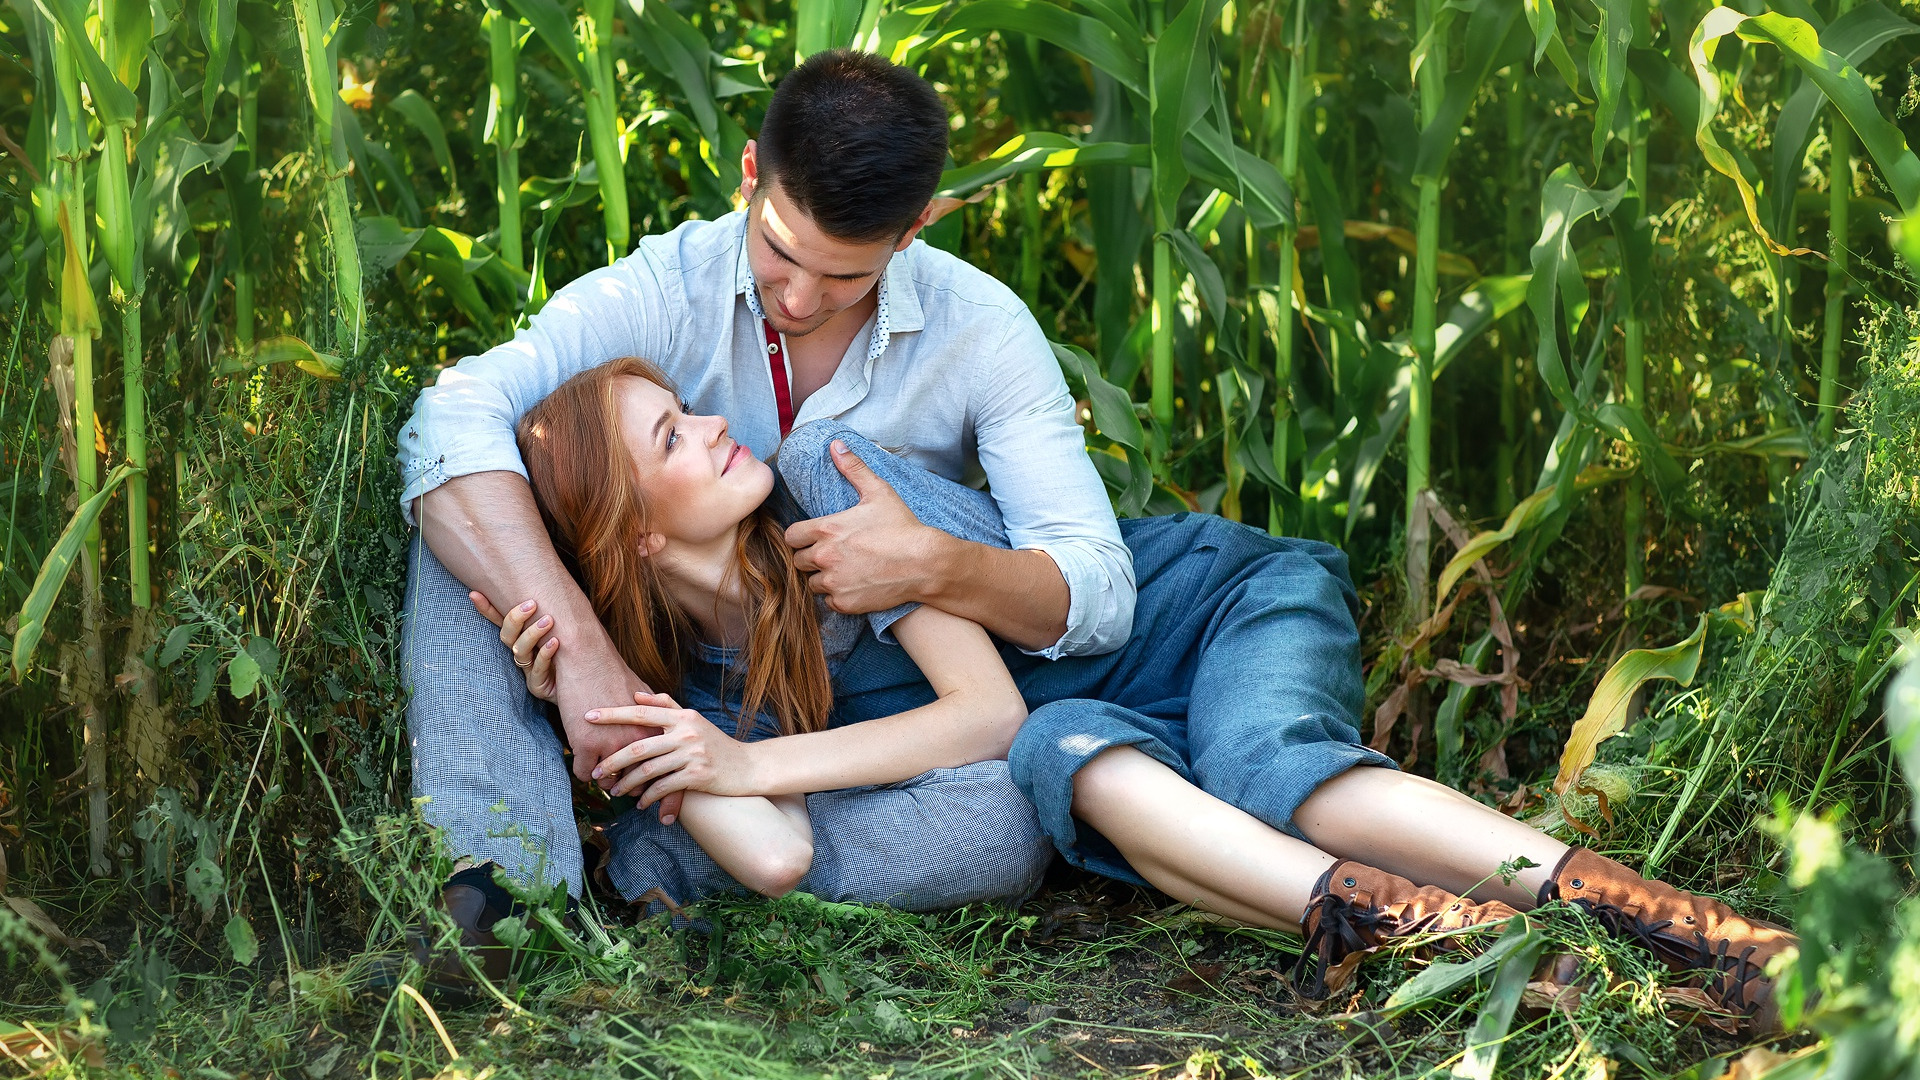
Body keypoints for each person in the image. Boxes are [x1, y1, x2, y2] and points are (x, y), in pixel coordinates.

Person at [486, 357, 1800, 1033]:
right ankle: (1455, 944)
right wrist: (609, 714)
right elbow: (770, 855)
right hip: (1117, 726)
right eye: (669, 438)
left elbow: (974, 717)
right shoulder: (716, 688)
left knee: (1269, 771)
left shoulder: (828, 489)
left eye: (684, 409)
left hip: (1219, 613)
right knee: (1071, 753)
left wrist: (743, 767)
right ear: (636, 539)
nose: (710, 427)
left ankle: (1690, 933)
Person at [395, 49, 1134, 971]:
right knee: (460, 511)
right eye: (779, 251)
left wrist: (939, 564)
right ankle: (495, 896)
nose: (797, 299)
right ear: (751, 175)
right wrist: (584, 655)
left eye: (843, 279)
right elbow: (449, 420)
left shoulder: (979, 330)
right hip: (670, 649)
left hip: (860, 684)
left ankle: (660, 863)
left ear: (912, 231)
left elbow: (1098, 588)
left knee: (1001, 820)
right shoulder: (664, 291)